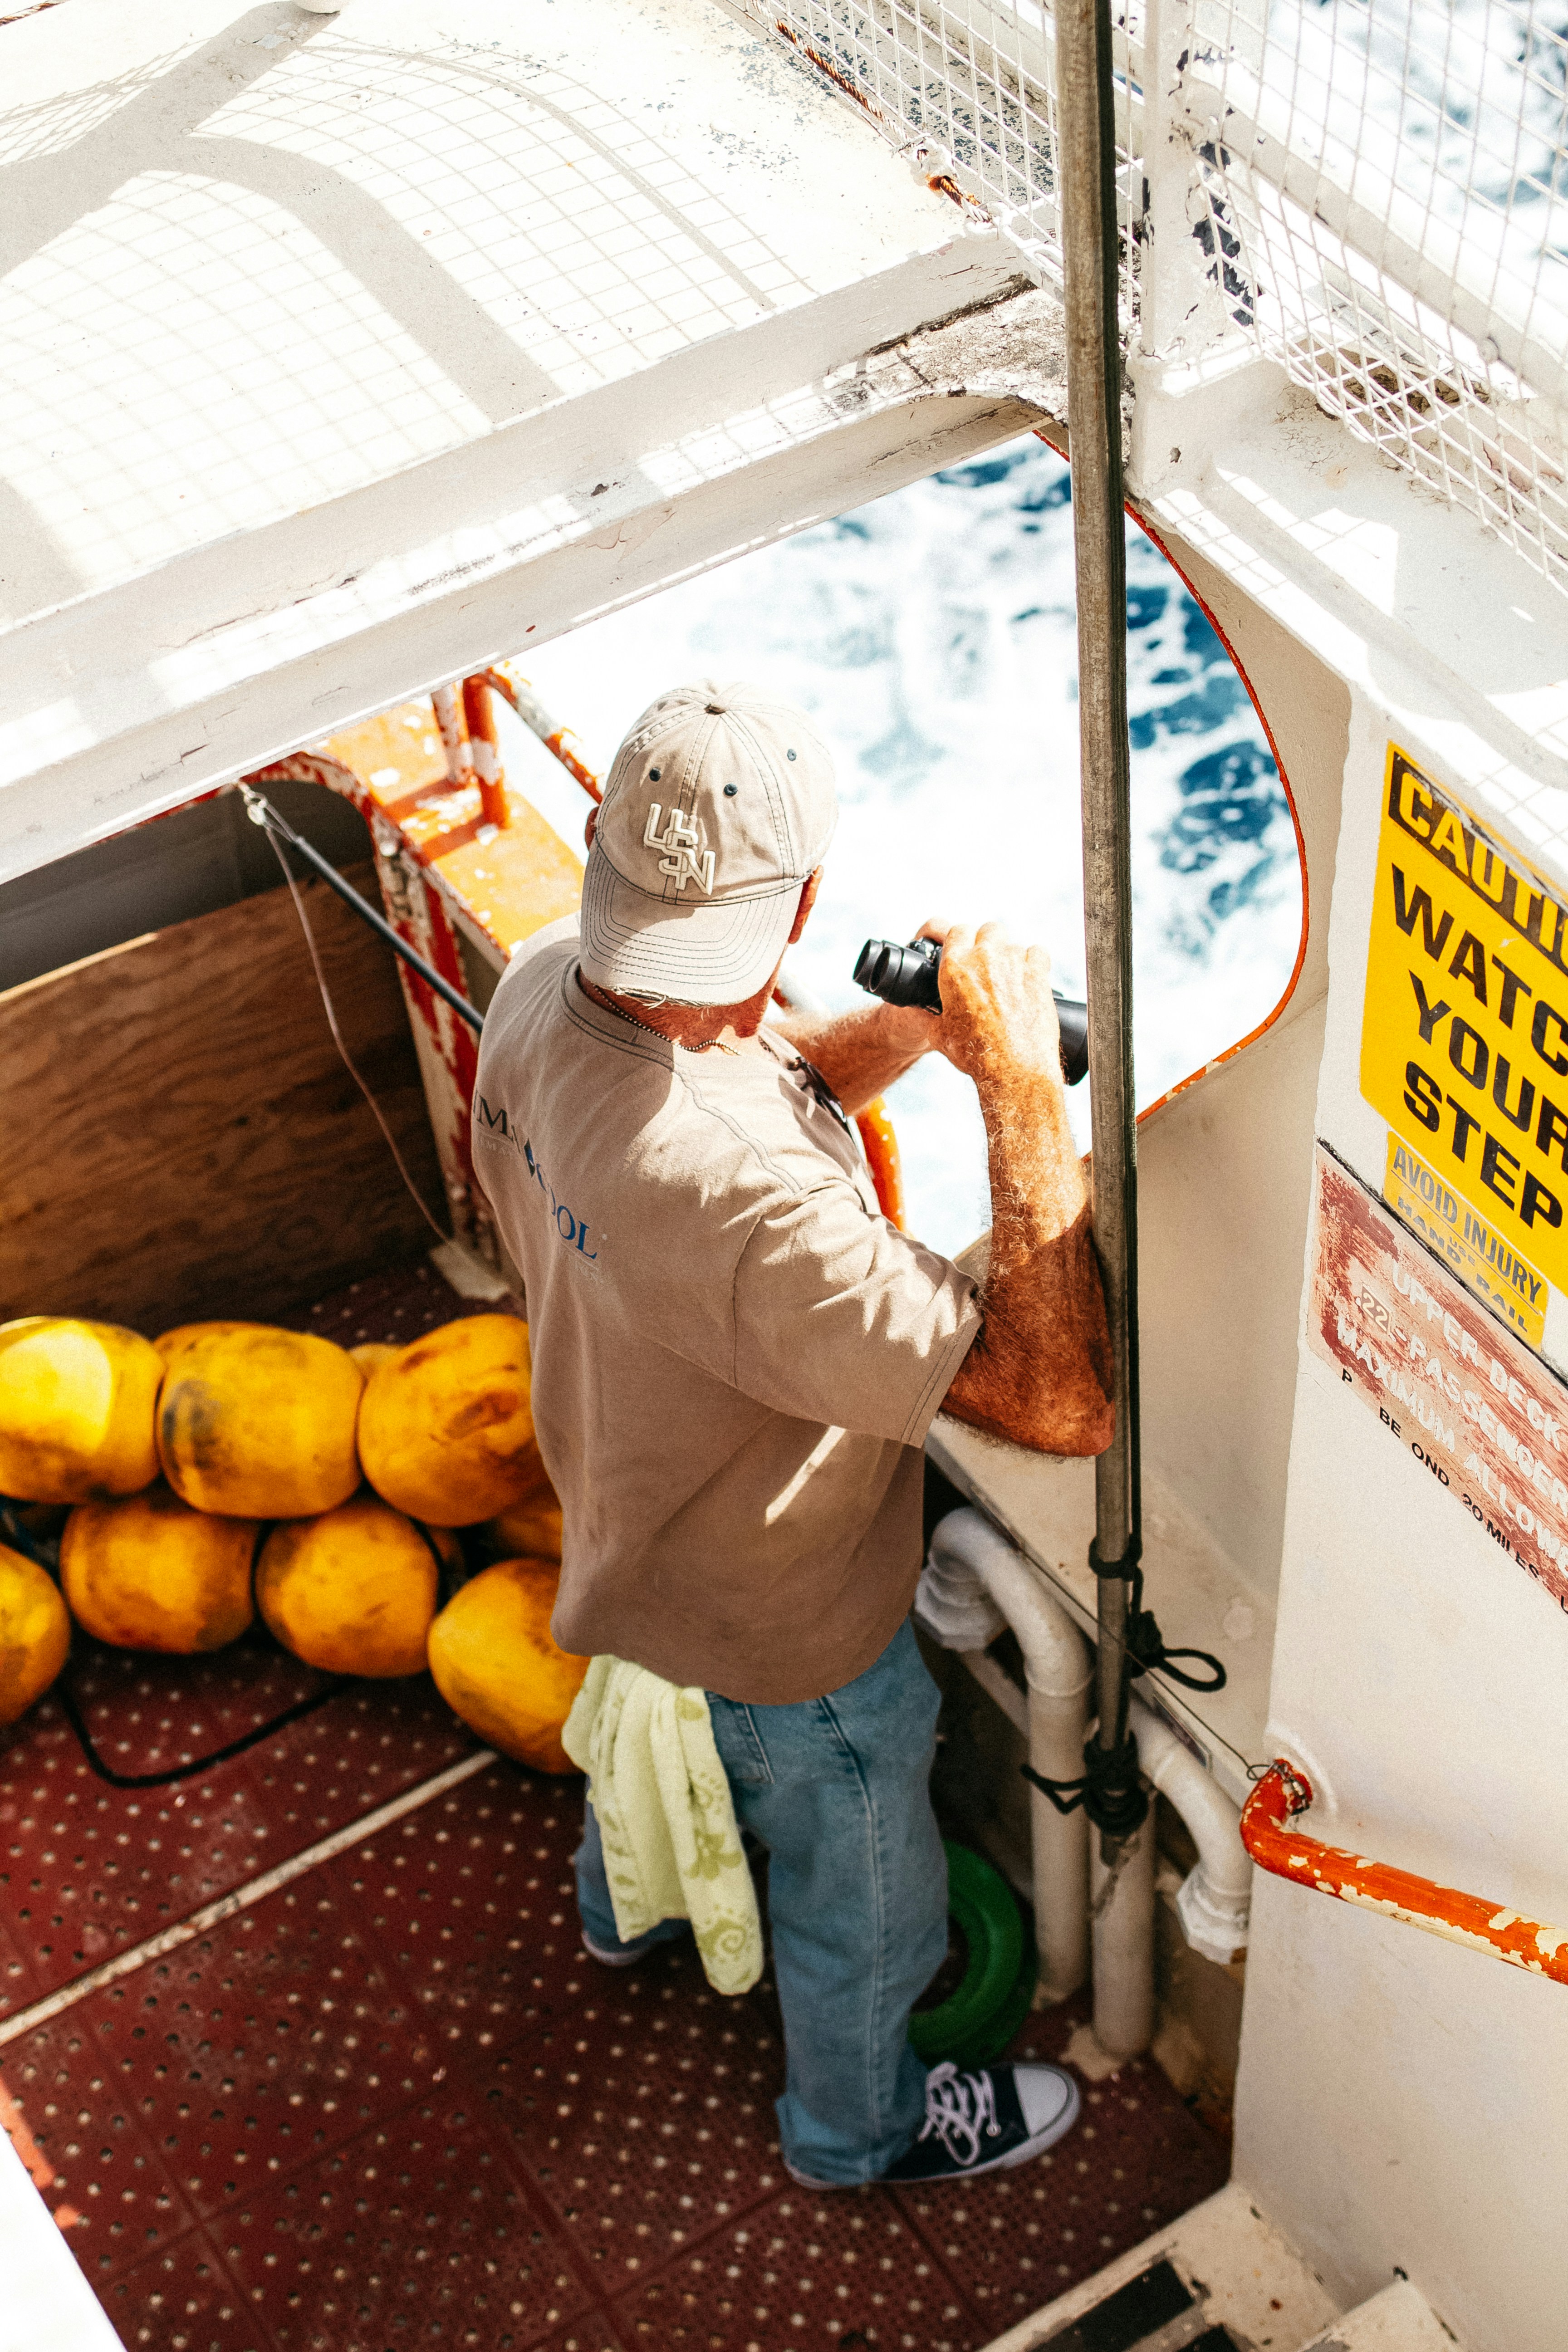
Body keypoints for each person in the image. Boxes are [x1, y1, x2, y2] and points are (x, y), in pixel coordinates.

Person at [473, 679, 1113, 2189]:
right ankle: (856, 2128)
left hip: (625, 1531)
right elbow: (1058, 1403)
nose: (719, 994)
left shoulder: (546, 981)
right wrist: (1020, 1089)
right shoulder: (754, 1210)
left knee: (639, 1723)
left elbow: (717, 1079)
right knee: (864, 1894)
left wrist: (900, 1036)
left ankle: (618, 1914)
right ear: (812, 892)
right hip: (794, 1638)